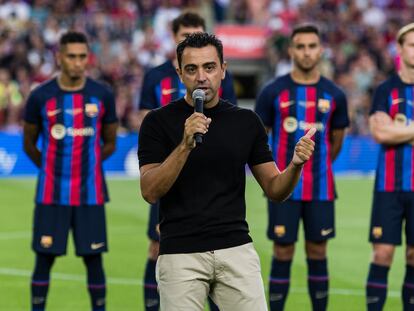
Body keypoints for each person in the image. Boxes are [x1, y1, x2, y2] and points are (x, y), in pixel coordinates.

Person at [138, 31, 316, 311]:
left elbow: (275, 189)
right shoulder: (157, 122)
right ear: (179, 73)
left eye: (209, 67)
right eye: (192, 69)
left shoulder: (246, 121)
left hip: (235, 249)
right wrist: (185, 145)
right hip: (180, 254)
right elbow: (149, 191)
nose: (201, 77)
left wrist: (295, 166)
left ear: (223, 69)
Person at [137, 11, 237, 311]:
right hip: (168, 168)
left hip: (207, 171)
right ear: (174, 39)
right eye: (185, 37)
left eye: (197, 35)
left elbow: (226, 117)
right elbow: (145, 121)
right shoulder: (155, 76)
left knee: (217, 248)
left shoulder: (216, 77)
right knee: (157, 244)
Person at [255, 24, 349, 311]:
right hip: (283, 189)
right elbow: (259, 140)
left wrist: (318, 167)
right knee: (282, 250)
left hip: (320, 188)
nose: (306, 52)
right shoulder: (273, 91)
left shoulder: (335, 94)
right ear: (291, 50)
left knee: (318, 251)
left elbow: (336, 142)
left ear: (320, 50)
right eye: (300, 46)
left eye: (312, 46)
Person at [23, 31, 117, 311]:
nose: (78, 63)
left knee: (94, 259)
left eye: (82, 57)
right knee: (43, 258)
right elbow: (29, 144)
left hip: (91, 195)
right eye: (72, 56)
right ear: (59, 57)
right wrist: (51, 168)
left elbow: (110, 142)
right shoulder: (41, 96)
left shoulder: (102, 94)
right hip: (51, 195)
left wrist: (88, 165)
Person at [366, 22, 414, 311]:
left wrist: (402, 130)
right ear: (400, 49)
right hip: (389, 186)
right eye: (412, 44)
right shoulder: (386, 89)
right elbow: (380, 133)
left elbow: (391, 131)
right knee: (382, 253)